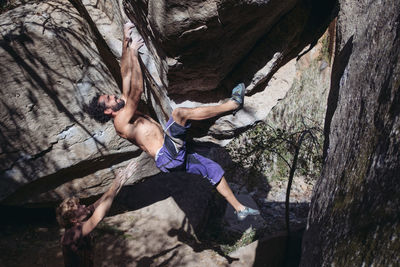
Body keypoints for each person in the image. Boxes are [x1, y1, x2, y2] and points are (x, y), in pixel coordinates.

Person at [87, 22, 259, 221]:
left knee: (211, 170)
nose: (114, 97)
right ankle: (232, 105)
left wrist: (127, 42)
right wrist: (134, 54)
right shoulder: (121, 123)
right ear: (108, 111)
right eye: (110, 99)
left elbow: (125, 73)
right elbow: (136, 92)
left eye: (111, 96)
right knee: (179, 114)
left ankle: (239, 208)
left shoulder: (122, 109)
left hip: (171, 157)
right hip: (168, 154)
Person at [56, 160, 137, 267]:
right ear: (73, 219)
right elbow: (97, 217)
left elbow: (103, 201)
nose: (84, 206)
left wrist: (121, 181)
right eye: (79, 207)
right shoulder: (71, 235)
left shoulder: (81, 217)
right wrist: (115, 186)